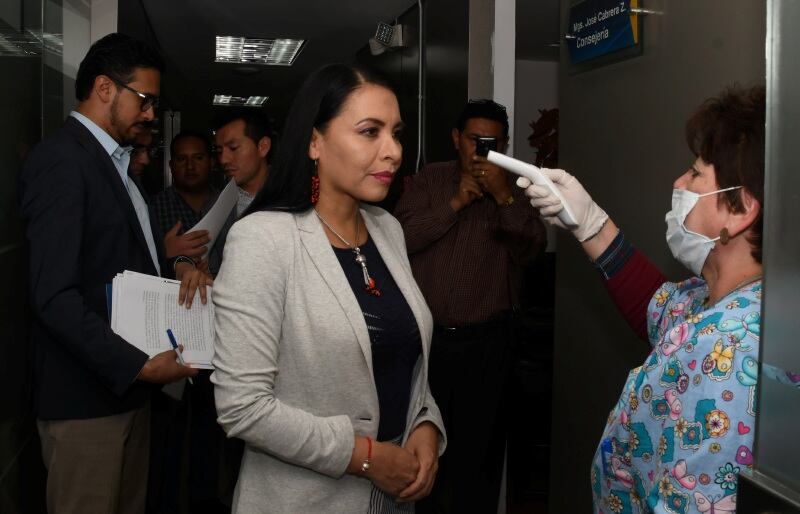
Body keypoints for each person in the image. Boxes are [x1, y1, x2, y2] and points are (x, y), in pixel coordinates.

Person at [211, 63, 446, 513]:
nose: (393, 151)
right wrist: (366, 457)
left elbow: (403, 360)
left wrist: (426, 425)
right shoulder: (264, 239)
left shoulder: (388, 229)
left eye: (396, 134)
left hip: (394, 496)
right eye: (370, 132)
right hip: (305, 500)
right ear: (314, 142)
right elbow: (242, 407)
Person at [517, 85, 765, 513]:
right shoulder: (724, 302)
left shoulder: (728, 350)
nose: (678, 182)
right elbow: (660, 308)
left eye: (695, 174)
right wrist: (589, 223)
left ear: (739, 210)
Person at [18, 33, 197, 514]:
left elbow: (124, 262)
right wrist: (138, 365)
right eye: (144, 100)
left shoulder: (115, 165)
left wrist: (178, 266)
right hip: (85, 403)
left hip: (125, 395)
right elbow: (53, 295)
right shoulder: (63, 161)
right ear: (104, 88)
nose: (150, 114)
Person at [394, 99, 546, 513]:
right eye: (473, 140)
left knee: (479, 458)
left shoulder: (519, 187)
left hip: (488, 347)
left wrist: (503, 197)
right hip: (427, 345)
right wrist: (455, 205)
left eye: (491, 142)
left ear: (504, 145)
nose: (480, 150)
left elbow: (532, 250)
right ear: (456, 139)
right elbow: (400, 238)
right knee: (421, 452)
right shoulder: (430, 179)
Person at [153, 130, 222, 275]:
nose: (190, 166)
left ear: (211, 162)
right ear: (171, 166)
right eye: (181, 159)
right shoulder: (153, 208)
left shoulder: (227, 203)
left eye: (198, 158)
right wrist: (163, 251)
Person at [213, 109, 273, 217]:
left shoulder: (295, 195)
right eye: (219, 151)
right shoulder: (215, 209)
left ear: (263, 147)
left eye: (233, 148)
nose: (223, 159)